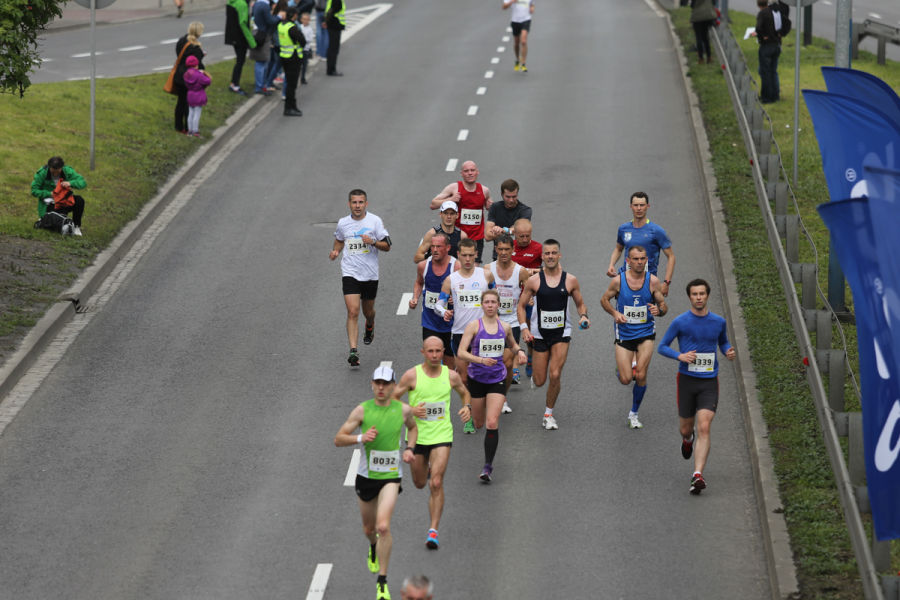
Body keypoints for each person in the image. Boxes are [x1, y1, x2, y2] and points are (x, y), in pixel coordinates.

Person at [334, 366, 418, 600]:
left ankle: (382, 581)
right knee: (369, 530)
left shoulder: (403, 410)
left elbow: (413, 428)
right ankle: (373, 547)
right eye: (377, 383)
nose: (381, 387)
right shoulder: (362, 410)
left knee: (383, 527)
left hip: (391, 476)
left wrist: (410, 449)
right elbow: (338, 439)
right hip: (366, 477)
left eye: (386, 383)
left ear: (393, 386)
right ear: (372, 384)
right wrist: (361, 437)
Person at [392, 337, 472, 551]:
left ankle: (433, 530)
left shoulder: (451, 375)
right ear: (423, 352)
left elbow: (465, 393)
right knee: (419, 483)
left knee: (436, 483)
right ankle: (426, 467)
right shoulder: (412, 376)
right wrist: (410, 410)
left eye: (438, 351)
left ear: (443, 351)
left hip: (442, 435)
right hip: (417, 437)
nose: (435, 355)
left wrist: (467, 407)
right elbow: (393, 399)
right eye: (431, 351)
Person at [658, 278, 736, 495]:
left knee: (704, 426)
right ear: (689, 297)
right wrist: (680, 356)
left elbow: (723, 342)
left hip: (709, 381)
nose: (699, 298)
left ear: (707, 295)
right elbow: (662, 347)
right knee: (686, 428)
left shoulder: (718, 322)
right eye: (695, 294)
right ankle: (687, 439)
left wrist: (728, 351)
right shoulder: (680, 322)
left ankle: (697, 474)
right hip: (686, 380)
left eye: (702, 294)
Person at [517, 239, 590, 430]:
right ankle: (534, 366)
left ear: (559, 255)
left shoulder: (570, 280)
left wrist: (583, 316)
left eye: (553, 253)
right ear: (542, 256)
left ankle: (548, 414)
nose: (550, 256)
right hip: (539, 334)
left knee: (555, 374)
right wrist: (524, 328)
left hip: (561, 332)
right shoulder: (534, 281)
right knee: (540, 381)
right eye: (547, 253)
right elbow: (521, 306)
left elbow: (580, 303)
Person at [456, 290, 526, 482]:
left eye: (493, 302)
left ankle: (487, 466)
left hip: (497, 378)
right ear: (482, 305)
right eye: (486, 302)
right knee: (479, 423)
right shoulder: (473, 326)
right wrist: (480, 360)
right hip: (477, 378)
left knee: (492, 422)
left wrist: (520, 352)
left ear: (498, 305)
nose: (490, 305)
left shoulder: (505, 327)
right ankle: (474, 409)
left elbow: (512, 344)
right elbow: (461, 352)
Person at [600, 246, 668, 429]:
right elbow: (604, 300)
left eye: (642, 258)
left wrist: (659, 310)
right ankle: (622, 369)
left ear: (647, 260)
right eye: (635, 259)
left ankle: (634, 414)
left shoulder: (653, 281)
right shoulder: (618, 281)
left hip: (646, 333)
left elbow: (663, 306)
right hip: (624, 334)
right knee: (625, 379)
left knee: (641, 375)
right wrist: (615, 313)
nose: (639, 262)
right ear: (628, 261)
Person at [329, 189, 392, 367]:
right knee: (353, 311)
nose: (357, 206)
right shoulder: (343, 223)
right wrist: (335, 251)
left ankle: (370, 324)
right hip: (350, 272)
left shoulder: (375, 221)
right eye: (354, 202)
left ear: (366, 204)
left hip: (370, 274)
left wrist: (373, 242)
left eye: (361, 202)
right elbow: (339, 240)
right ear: (349, 204)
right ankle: (353, 350)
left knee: (368, 312)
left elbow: (387, 245)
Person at [433, 239, 495, 398]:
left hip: (482, 332)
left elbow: (496, 298)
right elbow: (438, 305)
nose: (467, 259)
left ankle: (481, 403)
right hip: (459, 333)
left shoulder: (486, 275)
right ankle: (470, 408)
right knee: (464, 377)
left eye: (471, 255)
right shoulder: (451, 280)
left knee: (482, 375)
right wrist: (444, 312)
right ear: (458, 255)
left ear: (476, 254)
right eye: (464, 255)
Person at [606, 192, 675, 297]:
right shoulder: (624, 229)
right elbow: (618, 249)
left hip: (648, 283)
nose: (639, 208)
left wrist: (666, 282)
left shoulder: (656, 231)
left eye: (642, 205)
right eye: (636, 205)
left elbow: (671, 256)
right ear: (631, 206)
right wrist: (611, 265)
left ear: (647, 206)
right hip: (626, 281)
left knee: (648, 308)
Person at [487, 234, 530, 398]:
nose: (503, 253)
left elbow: (529, 292)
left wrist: (529, 299)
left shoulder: (521, 271)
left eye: (507, 249)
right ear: (495, 249)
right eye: (500, 249)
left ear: (513, 250)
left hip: (512, 322)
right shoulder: (487, 269)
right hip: (491, 321)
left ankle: (501, 397)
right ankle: (493, 393)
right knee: (492, 360)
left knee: (506, 362)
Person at [409, 233, 460, 370]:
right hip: (429, 320)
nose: (435, 250)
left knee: (449, 362)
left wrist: (455, 298)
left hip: (450, 322)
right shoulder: (423, 266)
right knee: (432, 357)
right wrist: (415, 298)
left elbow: (463, 288)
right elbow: (419, 282)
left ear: (448, 248)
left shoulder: (456, 267)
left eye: (439, 246)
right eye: (432, 247)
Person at [430, 161, 493, 264]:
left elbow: (489, 206)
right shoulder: (454, 187)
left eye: (472, 170)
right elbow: (433, 204)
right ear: (461, 173)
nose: (470, 173)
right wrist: (451, 199)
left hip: (476, 238)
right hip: (456, 236)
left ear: (477, 172)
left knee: (473, 269)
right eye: (466, 171)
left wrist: (490, 207)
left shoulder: (484, 190)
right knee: (454, 267)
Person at [31, 156, 86, 236]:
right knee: (55, 223)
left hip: (64, 202)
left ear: (62, 167)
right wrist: (50, 194)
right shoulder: (42, 173)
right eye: (53, 172)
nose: (55, 174)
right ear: (49, 167)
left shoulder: (67, 171)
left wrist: (70, 183)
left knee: (79, 200)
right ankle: (45, 220)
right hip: (50, 204)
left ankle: (76, 226)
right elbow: (34, 190)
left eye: (57, 171)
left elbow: (82, 182)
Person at [484, 178, 533, 260]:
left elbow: (518, 230)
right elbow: (487, 236)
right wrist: (504, 231)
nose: (511, 200)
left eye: (514, 196)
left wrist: (501, 231)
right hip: (499, 256)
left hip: (518, 257)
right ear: (502, 194)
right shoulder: (495, 207)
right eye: (508, 197)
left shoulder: (525, 210)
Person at [173, 22, 205, 134]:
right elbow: (197, 64)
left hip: (179, 75)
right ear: (199, 32)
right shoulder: (196, 48)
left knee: (180, 102)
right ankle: (188, 127)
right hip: (190, 78)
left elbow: (179, 55)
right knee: (189, 104)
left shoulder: (181, 41)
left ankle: (178, 126)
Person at [251, 0, 283, 95]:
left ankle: (261, 85)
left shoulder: (257, 4)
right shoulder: (264, 6)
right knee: (262, 62)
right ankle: (260, 86)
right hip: (263, 35)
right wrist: (279, 16)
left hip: (257, 33)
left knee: (261, 62)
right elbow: (270, 21)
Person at [752, 0, 782, 103]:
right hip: (776, 44)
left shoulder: (762, 13)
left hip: (767, 46)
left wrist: (762, 36)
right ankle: (775, 95)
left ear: (758, 4)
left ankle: (766, 97)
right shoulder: (774, 12)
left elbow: (758, 28)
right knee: (773, 71)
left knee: (765, 72)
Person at [277, 7, 305, 116]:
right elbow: (302, 41)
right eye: (296, 14)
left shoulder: (281, 25)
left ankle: (292, 106)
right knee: (292, 85)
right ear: (294, 15)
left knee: (289, 83)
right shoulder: (292, 28)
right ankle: (289, 108)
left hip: (284, 56)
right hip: (293, 58)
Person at [225, 0, 256, 95]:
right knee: (240, 61)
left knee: (239, 61)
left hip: (233, 36)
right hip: (240, 38)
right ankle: (235, 84)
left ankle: (233, 83)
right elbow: (243, 23)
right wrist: (251, 41)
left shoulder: (231, 2)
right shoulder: (242, 4)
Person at [502, 0, 534, 73]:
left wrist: (532, 8)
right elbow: (504, 7)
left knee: (523, 41)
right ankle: (517, 59)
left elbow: (532, 4)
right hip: (515, 21)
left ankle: (523, 63)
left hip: (526, 20)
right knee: (516, 43)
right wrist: (512, 1)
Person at [183, 55, 211, 137]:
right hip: (199, 96)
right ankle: (195, 131)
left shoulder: (186, 74)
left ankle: (190, 131)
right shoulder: (199, 75)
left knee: (190, 114)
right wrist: (203, 73)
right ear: (196, 65)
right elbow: (208, 81)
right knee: (197, 114)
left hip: (190, 95)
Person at [690, 0, 717, 64]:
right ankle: (709, 57)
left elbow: (692, 5)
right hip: (708, 16)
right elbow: (714, 3)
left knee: (698, 38)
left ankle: (701, 58)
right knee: (706, 38)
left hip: (697, 17)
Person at [325, 0, 345, 76]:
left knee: (331, 48)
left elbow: (330, 11)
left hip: (332, 24)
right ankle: (331, 69)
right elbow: (334, 9)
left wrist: (326, 21)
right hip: (335, 25)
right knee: (334, 49)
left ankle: (330, 69)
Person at [298, 11, 314, 84]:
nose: (305, 21)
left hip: (305, 49)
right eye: (304, 19)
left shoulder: (310, 29)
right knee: (298, 64)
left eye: (307, 19)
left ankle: (303, 78)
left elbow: (310, 39)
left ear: (309, 20)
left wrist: (303, 39)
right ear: (301, 20)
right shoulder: (300, 27)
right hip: (299, 49)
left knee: (304, 65)